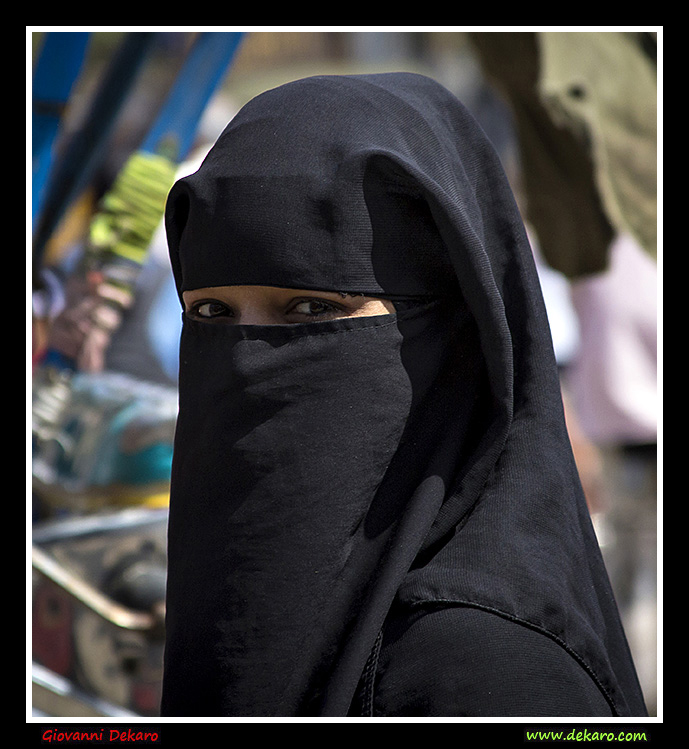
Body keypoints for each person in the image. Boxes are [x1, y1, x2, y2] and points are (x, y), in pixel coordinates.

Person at [161, 72, 647, 717]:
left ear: (450, 325)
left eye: (311, 307)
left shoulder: (478, 664)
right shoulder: (245, 588)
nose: (246, 361)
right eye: (213, 313)